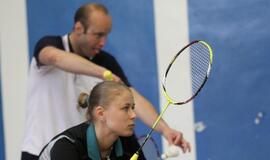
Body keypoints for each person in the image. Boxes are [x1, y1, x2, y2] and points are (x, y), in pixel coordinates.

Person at [22, 3, 190, 159]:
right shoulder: (51, 45)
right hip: (39, 152)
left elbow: (133, 98)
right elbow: (54, 57)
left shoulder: (106, 61)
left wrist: (165, 130)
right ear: (79, 28)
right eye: (98, 35)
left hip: (80, 151)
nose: (103, 42)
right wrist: (103, 73)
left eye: (106, 35)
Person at [39, 81, 146, 160]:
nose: (133, 115)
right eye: (125, 108)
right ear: (101, 113)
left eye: (133, 107)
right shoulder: (66, 146)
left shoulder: (127, 141)